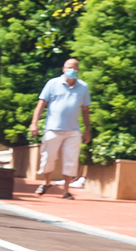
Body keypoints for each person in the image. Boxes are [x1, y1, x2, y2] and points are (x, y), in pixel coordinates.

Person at [30, 57, 93, 196]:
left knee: (70, 160)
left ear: (78, 70)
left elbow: (85, 110)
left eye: (75, 68)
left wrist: (88, 129)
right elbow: (41, 104)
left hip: (73, 130)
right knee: (48, 158)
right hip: (53, 128)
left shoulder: (83, 87)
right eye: (69, 67)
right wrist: (34, 122)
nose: (72, 70)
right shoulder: (52, 84)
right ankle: (46, 183)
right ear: (63, 69)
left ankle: (66, 190)